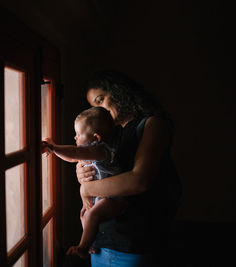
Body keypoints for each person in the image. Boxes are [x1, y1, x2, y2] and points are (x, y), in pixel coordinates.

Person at [76, 70, 182, 266]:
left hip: (134, 242)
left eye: (100, 100)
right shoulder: (107, 137)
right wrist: (84, 174)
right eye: (93, 106)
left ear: (119, 92)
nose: (98, 109)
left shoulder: (152, 124)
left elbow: (139, 180)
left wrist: (87, 188)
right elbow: (100, 170)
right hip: (101, 241)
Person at [41, 106, 127, 259]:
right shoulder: (89, 152)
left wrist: (53, 147)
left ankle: (82, 247)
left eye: (78, 134)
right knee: (84, 214)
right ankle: (91, 243)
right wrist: (54, 148)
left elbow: (75, 152)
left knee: (92, 215)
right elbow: (73, 157)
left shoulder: (101, 151)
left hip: (115, 198)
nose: (75, 138)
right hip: (101, 196)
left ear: (96, 138)